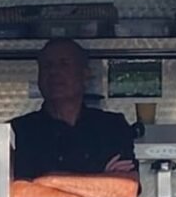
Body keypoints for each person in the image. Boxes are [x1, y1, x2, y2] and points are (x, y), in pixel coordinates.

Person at [9, 38, 137, 183]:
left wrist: (45, 181)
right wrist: (101, 180)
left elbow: (126, 186)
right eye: (47, 65)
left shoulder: (112, 127)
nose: (54, 72)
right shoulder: (17, 130)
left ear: (85, 74)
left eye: (64, 64)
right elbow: (15, 192)